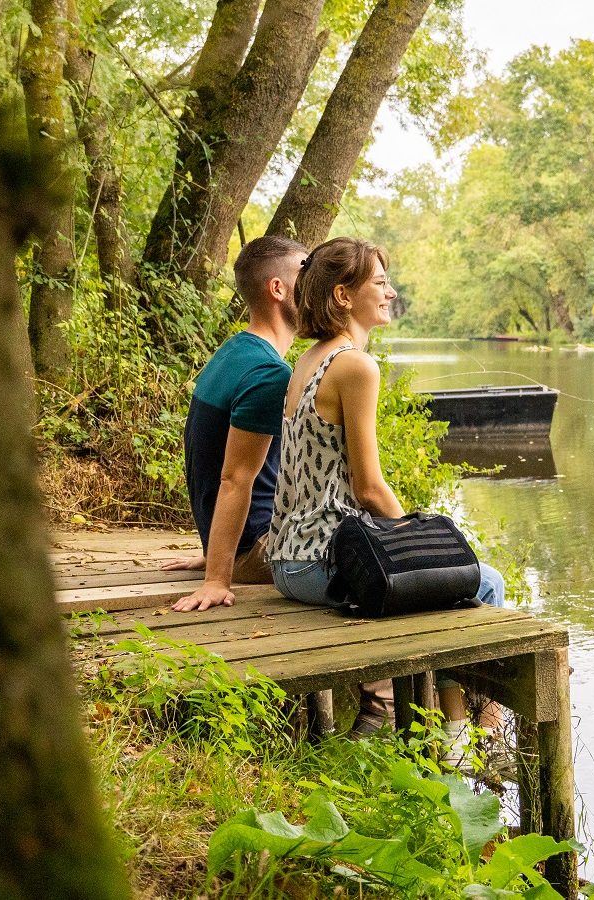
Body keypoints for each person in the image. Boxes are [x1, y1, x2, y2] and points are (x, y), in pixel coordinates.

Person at [266, 236, 505, 752]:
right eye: (380, 283)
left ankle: (462, 733)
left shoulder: (310, 359)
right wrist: (422, 545)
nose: (391, 292)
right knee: (483, 583)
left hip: (290, 558)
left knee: (454, 584)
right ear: (344, 296)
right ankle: (473, 740)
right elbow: (369, 487)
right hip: (321, 562)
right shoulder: (356, 367)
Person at [163, 235, 307, 612]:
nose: (316, 287)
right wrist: (217, 578)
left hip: (240, 542)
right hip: (258, 549)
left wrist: (213, 549)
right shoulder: (269, 373)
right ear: (278, 288)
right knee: (378, 553)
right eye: (305, 276)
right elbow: (235, 478)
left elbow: (205, 455)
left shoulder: (234, 351)